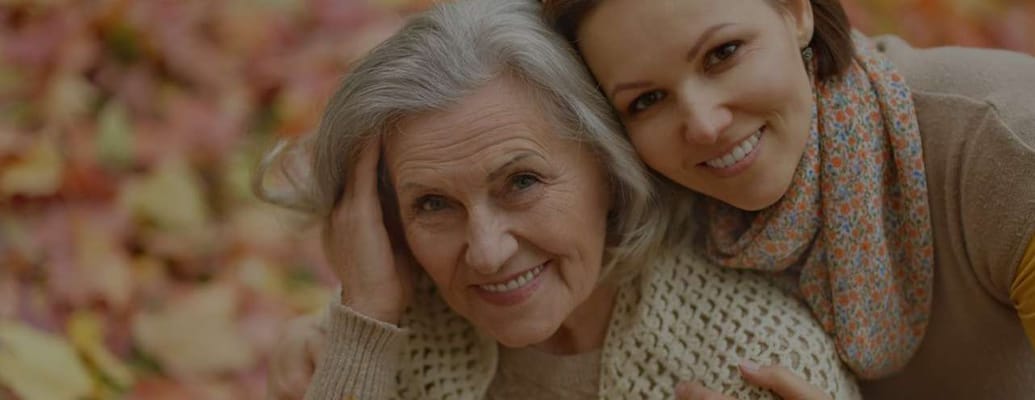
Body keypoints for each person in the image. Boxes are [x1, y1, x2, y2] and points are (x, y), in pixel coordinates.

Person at [255, 0, 863, 399]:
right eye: (433, 205)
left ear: (609, 164)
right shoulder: (379, 344)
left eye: (521, 182)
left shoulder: (758, 359)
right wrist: (360, 329)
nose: (487, 253)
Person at [541, 0, 1035, 398]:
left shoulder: (1009, 149)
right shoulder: (671, 217)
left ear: (796, 13)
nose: (704, 124)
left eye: (723, 52)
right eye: (646, 101)